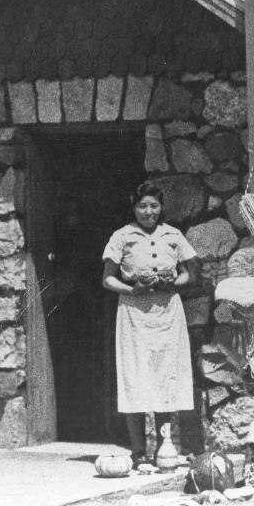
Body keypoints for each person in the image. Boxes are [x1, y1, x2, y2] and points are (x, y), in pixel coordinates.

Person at [102, 182, 198, 467]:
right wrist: (132, 290)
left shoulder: (173, 235)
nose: (148, 212)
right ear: (134, 208)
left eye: (153, 206)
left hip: (168, 312)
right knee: (135, 376)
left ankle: (164, 449)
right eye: (142, 206)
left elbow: (191, 272)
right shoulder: (122, 236)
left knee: (165, 375)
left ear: (161, 208)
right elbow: (107, 277)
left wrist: (173, 282)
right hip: (134, 313)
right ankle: (138, 450)